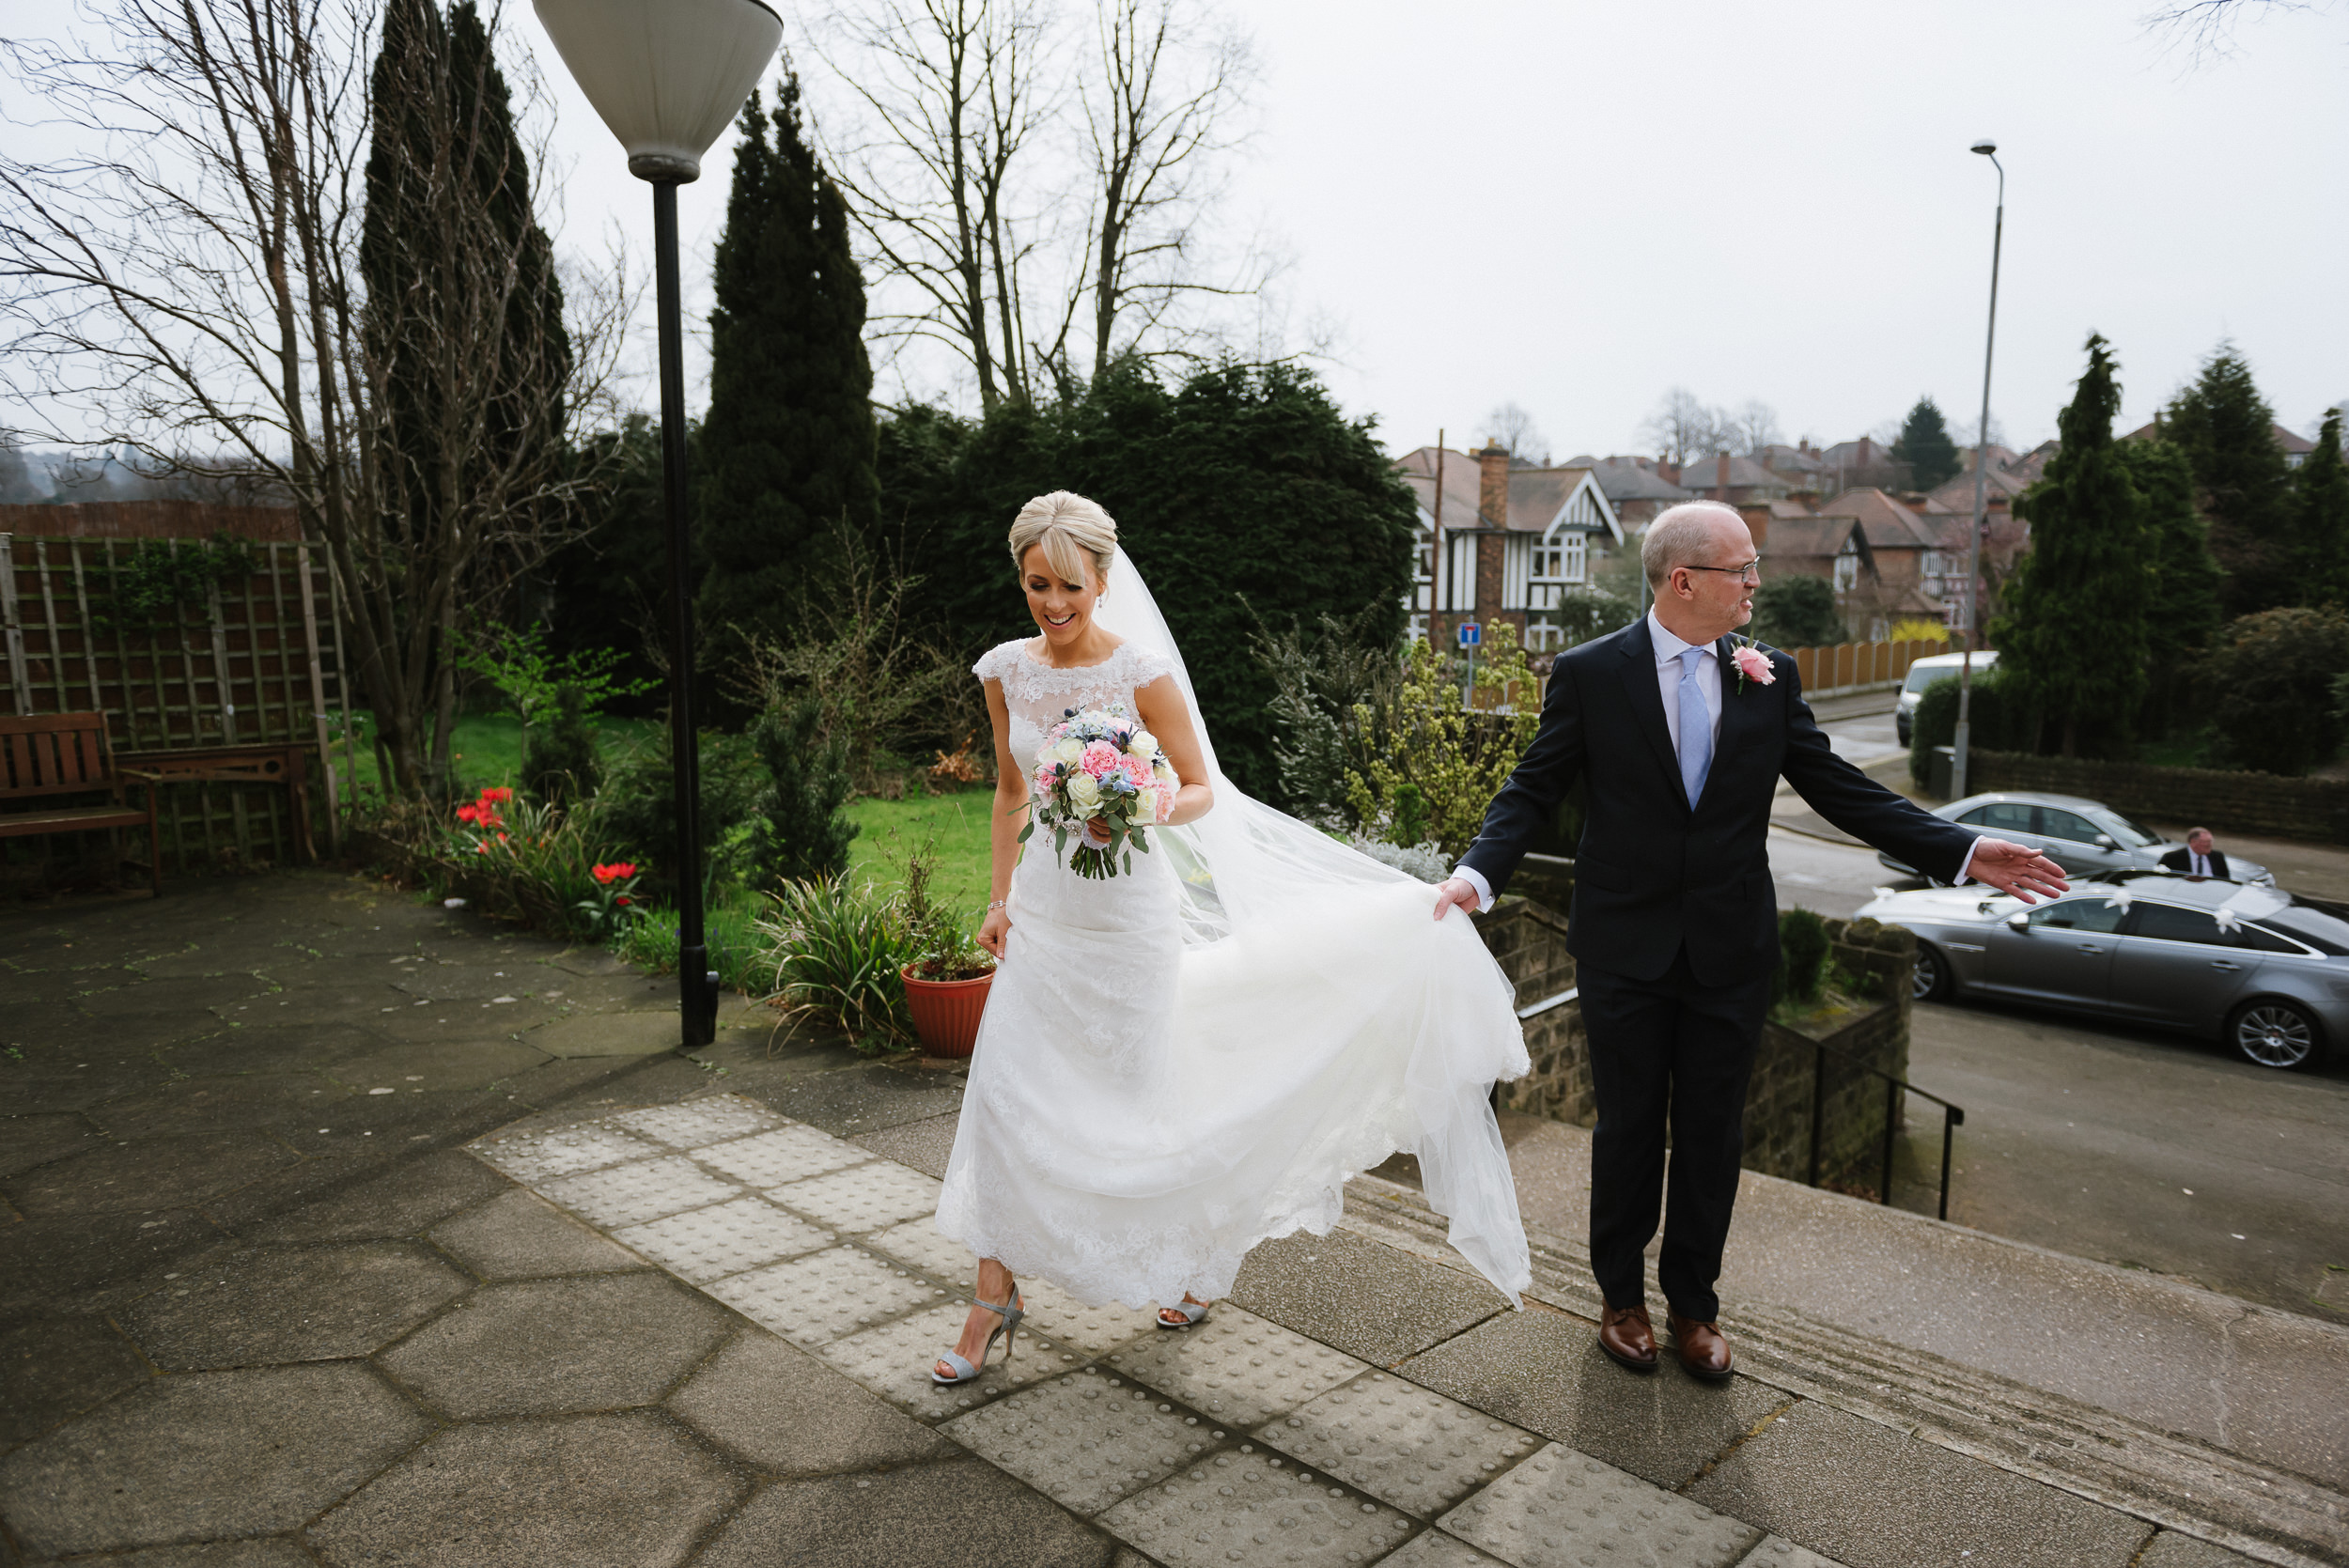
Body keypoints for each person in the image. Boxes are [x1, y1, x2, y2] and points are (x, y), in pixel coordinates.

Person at [1429, 502, 2069, 1382]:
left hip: (1730, 947)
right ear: (1684, 580)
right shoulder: (1589, 673)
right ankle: (1620, 1296)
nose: (1756, 584)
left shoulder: (1769, 675)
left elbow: (1840, 787)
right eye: (1743, 568)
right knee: (1625, 1130)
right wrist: (1478, 875)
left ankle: (1694, 1304)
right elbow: (1530, 790)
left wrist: (1957, 847)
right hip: (1624, 945)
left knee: (1711, 1132)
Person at [930, 491, 1532, 1387]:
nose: (1053, 605)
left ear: (1102, 579)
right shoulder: (1005, 671)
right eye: (1035, 585)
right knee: (1009, 1101)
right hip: (1047, 921)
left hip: (1129, 917)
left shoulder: (1139, 671)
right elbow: (1011, 792)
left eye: (1069, 585)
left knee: (1143, 1110)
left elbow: (1203, 785)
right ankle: (993, 1296)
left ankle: (1193, 1260)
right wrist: (999, 898)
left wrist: (1143, 800)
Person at [2159, 829, 2230, 880]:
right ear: (2193, 842)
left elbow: (2225, 880)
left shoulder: (2218, 857)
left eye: (2211, 841)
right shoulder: (2171, 858)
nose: (2210, 845)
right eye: (2206, 842)